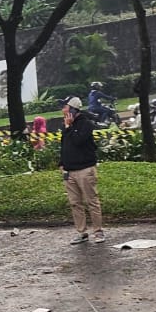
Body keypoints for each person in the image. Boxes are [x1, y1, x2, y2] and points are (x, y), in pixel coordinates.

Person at [58, 97, 104, 245]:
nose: (62, 110)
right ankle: (81, 232)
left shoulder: (86, 124)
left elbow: (78, 141)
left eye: (65, 107)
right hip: (69, 170)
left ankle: (98, 231)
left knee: (92, 201)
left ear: (73, 109)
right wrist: (62, 163)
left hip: (85, 169)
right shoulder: (66, 126)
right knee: (75, 203)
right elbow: (65, 145)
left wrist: (69, 127)